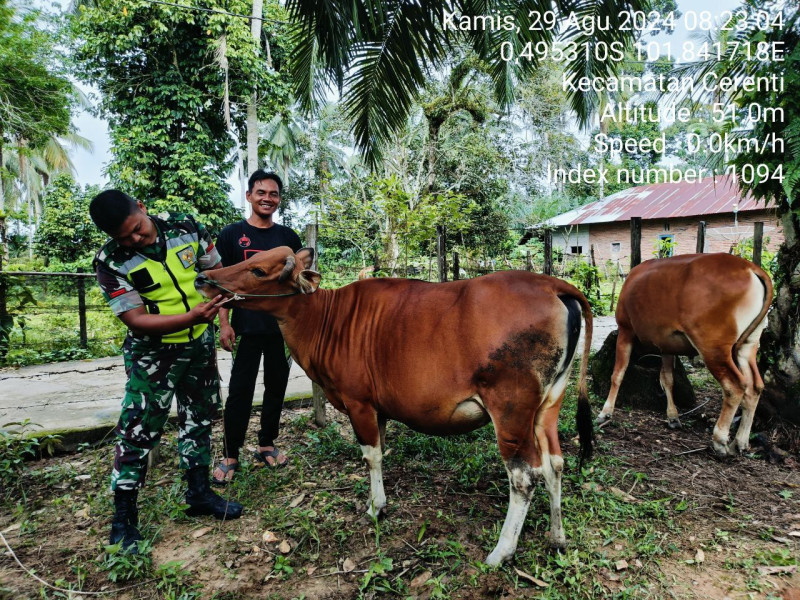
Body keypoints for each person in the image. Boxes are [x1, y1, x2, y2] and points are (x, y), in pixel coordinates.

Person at [90, 190, 243, 554]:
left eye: (137, 230)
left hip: (198, 345)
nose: (135, 240)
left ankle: (199, 493)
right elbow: (135, 318)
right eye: (124, 237)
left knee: (200, 419)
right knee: (138, 431)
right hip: (152, 355)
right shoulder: (110, 261)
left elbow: (215, 277)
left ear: (143, 208)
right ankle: (124, 518)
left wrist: (220, 322)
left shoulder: (186, 227)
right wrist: (191, 317)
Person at [212, 170, 302, 485]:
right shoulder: (231, 235)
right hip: (246, 328)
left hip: (280, 330)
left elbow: (297, 286)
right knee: (239, 392)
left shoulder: (288, 238)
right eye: (261, 192)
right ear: (249, 195)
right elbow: (224, 283)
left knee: (276, 388)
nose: (267, 198)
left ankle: (266, 444)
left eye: (273, 194)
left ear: (279, 199)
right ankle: (230, 454)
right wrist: (224, 324)